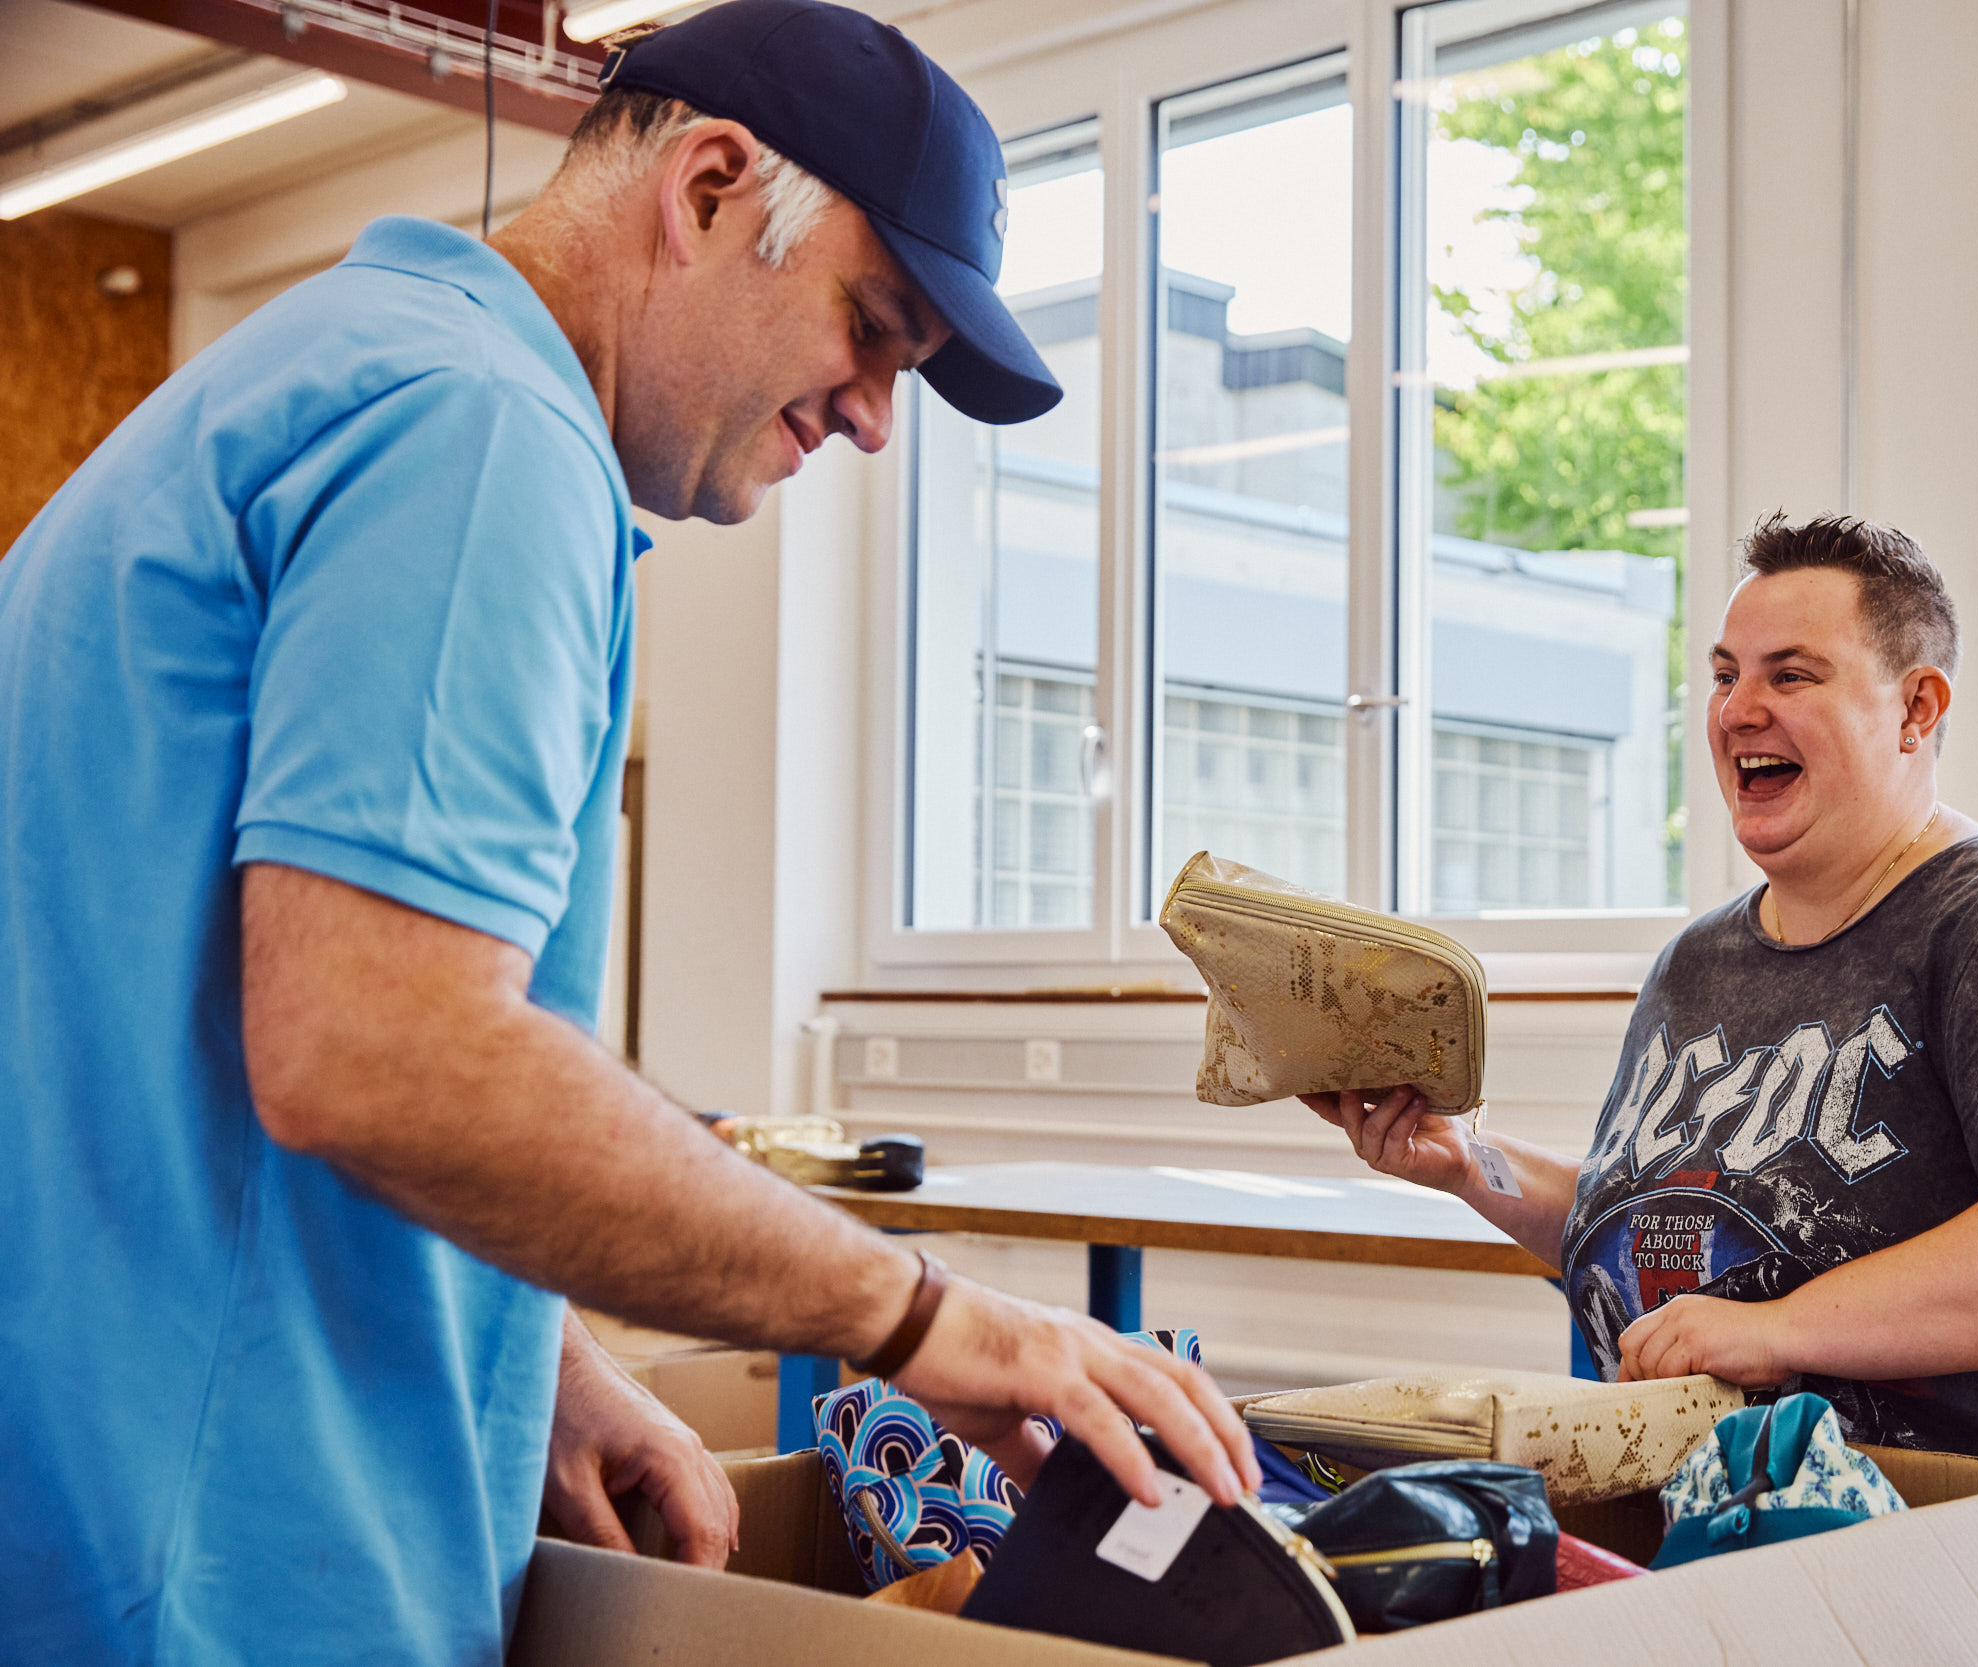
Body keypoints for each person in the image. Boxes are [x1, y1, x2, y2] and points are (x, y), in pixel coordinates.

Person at [0, 4, 1256, 1662]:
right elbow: (375, 1049)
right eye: (872, 329)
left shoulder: (316, 374)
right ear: (714, 187)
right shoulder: (478, 436)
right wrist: (917, 1315)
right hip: (217, 1568)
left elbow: (192, 1032)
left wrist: (548, 1365)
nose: (879, 416)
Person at [1308, 513, 1978, 1664]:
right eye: (1724, 675)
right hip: (1788, 1559)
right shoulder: (1696, 964)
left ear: (1917, 709)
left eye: (1791, 673)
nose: (1736, 709)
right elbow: (1678, 1246)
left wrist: (1782, 1330)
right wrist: (1474, 1163)